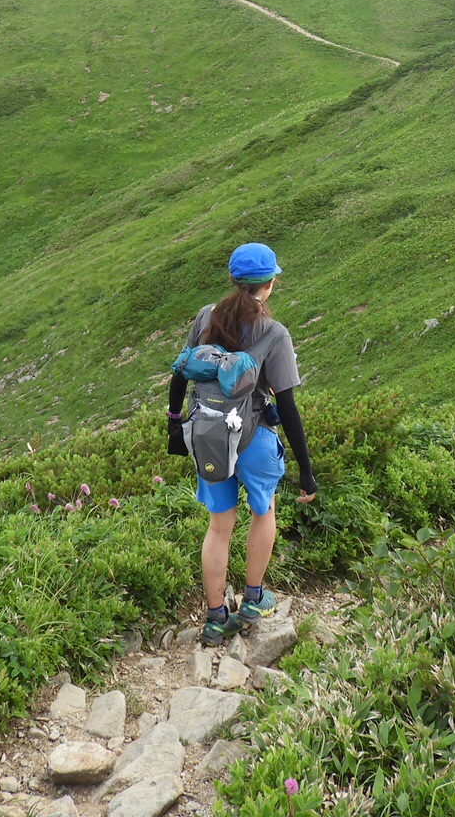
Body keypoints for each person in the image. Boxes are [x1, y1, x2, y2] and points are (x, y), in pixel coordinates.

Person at [167, 242, 316, 645]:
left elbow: (180, 372)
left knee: (218, 528)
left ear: (233, 280)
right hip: (254, 438)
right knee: (263, 510)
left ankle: (216, 618)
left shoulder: (205, 317)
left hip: (208, 436)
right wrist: (306, 469)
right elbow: (286, 405)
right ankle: (253, 599)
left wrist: (174, 424)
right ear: (269, 285)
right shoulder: (274, 333)